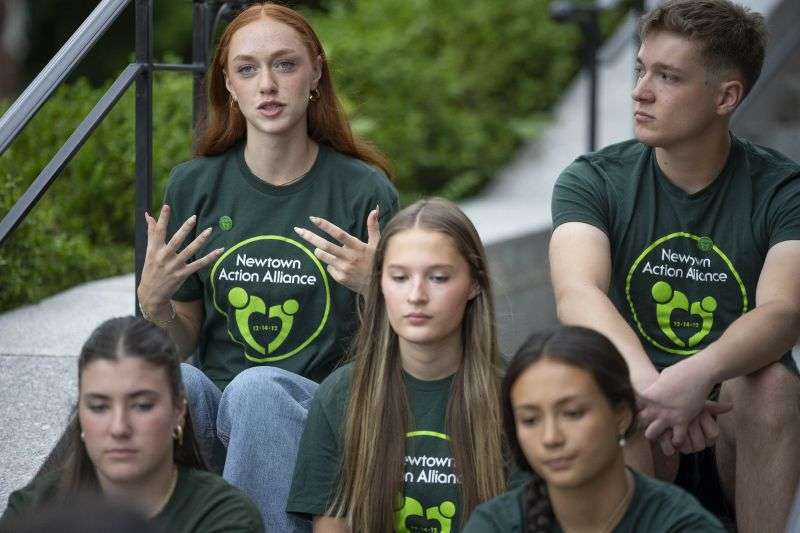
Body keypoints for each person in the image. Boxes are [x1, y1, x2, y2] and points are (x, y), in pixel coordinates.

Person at [135, 2, 399, 530]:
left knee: (256, 391)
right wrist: (156, 304)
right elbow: (183, 340)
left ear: (315, 74)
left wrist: (380, 288)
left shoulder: (363, 190)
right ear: (228, 85)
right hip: (217, 416)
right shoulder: (193, 186)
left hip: (323, 414)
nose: (268, 85)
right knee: (171, 383)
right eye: (248, 69)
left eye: (285, 64)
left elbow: (402, 345)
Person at [549, 0, 800, 530]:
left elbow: (783, 313)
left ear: (726, 96)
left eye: (668, 76)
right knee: (609, 388)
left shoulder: (782, 190)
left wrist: (698, 374)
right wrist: (653, 387)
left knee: (770, 385)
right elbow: (578, 293)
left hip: (733, 419)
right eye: (641, 69)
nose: (641, 91)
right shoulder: (594, 180)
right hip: (641, 416)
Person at [287, 198, 506, 532]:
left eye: (438, 278)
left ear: (474, 284)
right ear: (380, 284)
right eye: (400, 277)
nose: (416, 295)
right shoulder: (342, 393)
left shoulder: (514, 393)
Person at [0, 316, 263, 533]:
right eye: (99, 407)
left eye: (142, 405)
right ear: (79, 415)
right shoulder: (31, 508)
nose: (119, 428)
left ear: (178, 410)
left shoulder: (226, 519)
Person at [463, 326, 725, 532]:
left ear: (621, 416)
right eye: (530, 420)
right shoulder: (495, 524)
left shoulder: (681, 525)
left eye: (573, 414)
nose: (551, 438)